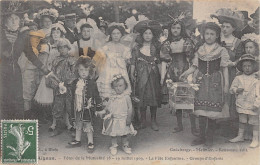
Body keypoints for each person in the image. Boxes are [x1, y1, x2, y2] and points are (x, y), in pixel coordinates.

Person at [180, 22, 230, 147]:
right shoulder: (200, 49)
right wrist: (186, 73)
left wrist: (226, 85)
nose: (209, 36)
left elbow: (224, 68)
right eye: (207, 33)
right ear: (203, 35)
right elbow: (194, 66)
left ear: (217, 35)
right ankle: (201, 137)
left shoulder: (221, 50)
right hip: (201, 81)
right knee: (201, 110)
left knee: (212, 112)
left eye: (212, 34)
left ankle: (209, 138)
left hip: (215, 82)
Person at [0, 8, 49, 120]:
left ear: (20, 21)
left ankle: (15, 127)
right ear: (5, 21)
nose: (13, 21)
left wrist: (44, 69)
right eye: (11, 19)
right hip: (1, 71)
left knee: (17, 98)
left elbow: (30, 55)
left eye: (16, 19)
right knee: (2, 98)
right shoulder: (1, 34)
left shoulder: (23, 36)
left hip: (15, 72)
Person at [160, 19, 197, 135]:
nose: (175, 30)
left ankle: (193, 127)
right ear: (170, 30)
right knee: (177, 100)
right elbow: (164, 61)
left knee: (189, 99)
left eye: (178, 28)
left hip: (185, 70)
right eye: (173, 28)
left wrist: (191, 73)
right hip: (172, 72)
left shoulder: (187, 41)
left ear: (182, 29)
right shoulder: (166, 43)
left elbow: (192, 58)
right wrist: (163, 76)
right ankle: (179, 125)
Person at [67, 56, 103, 153]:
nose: (83, 72)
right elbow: (71, 95)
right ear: (77, 71)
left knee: (88, 124)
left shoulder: (92, 83)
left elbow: (97, 95)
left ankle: (90, 142)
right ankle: (77, 140)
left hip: (87, 108)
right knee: (78, 123)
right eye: (81, 70)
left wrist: (99, 107)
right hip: (77, 108)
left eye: (86, 70)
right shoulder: (74, 83)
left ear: (90, 71)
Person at [130, 20, 162, 131]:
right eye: (145, 33)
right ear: (142, 35)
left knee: (153, 97)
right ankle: (143, 120)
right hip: (141, 74)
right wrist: (132, 73)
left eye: (150, 33)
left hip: (153, 74)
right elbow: (133, 61)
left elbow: (160, 61)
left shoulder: (156, 47)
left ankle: (153, 120)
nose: (147, 36)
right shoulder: (137, 48)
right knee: (141, 97)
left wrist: (162, 75)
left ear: (153, 35)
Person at [98, 74, 137, 155]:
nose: (118, 88)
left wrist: (129, 118)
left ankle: (125, 145)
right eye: (116, 86)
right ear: (112, 87)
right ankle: (114, 146)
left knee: (124, 134)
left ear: (125, 86)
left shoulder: (126, 97)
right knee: (114, 134)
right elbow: (108, 106)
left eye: (120, 85)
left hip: (124, 118)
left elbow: (130, 108)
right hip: (115, 119)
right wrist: (103, 111)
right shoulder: (112, 97)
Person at [46, 38, 77, 136]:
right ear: (58, 50)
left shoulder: (72, 59)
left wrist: (69, 83)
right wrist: (57, 84)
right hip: (58, 86)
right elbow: (52, 73)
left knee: (68, 106)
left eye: (65, 48)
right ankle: (56, 125)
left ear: (68, 48)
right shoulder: (56, 60)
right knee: (57, 106)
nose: (63, 50)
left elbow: (74, 74)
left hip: (68, 87)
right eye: (60, 48)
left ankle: (70, 124)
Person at [229, 54, 259, 148]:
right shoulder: (238, 78)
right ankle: (240, 136)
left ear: (253, 67)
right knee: (242, 120)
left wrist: (257, 104)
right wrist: (236, 90)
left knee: (254, 121)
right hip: (241, 103)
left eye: (249, 66)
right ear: (241, 67)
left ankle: (255, 138)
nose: (247, 68)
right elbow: (232, 88)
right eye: (245, 66)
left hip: (253, 103)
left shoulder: (256, 79)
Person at [97, 23, 132, 99]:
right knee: (108, 93)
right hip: (108, 71)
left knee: (121, 91)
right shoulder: (106, 47)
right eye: (114, 33)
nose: (116, 35)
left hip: (121, 71)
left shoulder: (124, 48)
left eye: (118, 33)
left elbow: (127, 62)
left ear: (121, 35)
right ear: (110, 35)